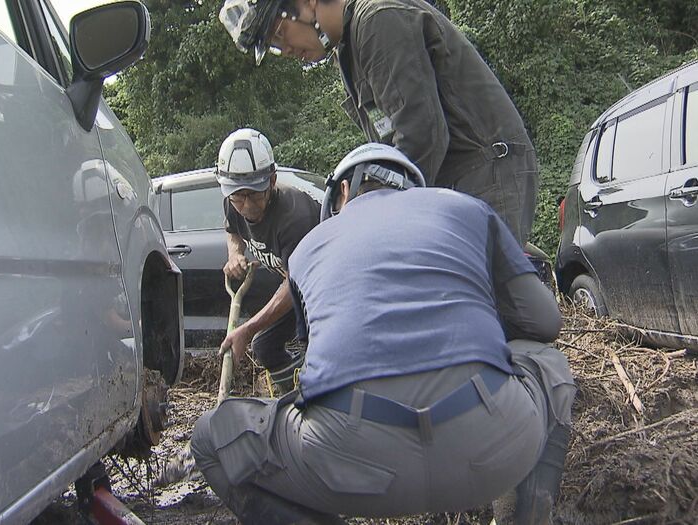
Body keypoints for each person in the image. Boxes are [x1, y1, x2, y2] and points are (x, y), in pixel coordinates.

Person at [191, 143, 575, 525]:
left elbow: (315, 368)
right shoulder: (467, 209)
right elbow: (546, 323)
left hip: (351, 468)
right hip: (491, 449)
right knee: (549, 361)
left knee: (210, 438)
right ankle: (522, 515)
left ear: (342, 191)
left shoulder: (309, 247)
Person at [219, 0, 539, 245]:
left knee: (484, 306)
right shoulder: (349, 49)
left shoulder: (377, 20)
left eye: (279, 32)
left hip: (485, 171)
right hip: (451, 179)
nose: (285, 49)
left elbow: (421, 135)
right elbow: (390, 147)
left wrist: (372, 208)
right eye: (274, 47)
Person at [216, 128, 321, 395]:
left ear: (272, 180)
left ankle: (315, 398)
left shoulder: (294, 217)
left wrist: (247, 329)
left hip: (323, 285)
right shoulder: (233, 201)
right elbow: (233, 231)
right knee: (264, 347)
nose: (247, 206)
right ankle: (291, 396)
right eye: (239, 197)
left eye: (255, 194)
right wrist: (235, 255)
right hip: (296, 284)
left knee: (314, 348)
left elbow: (293, 285)